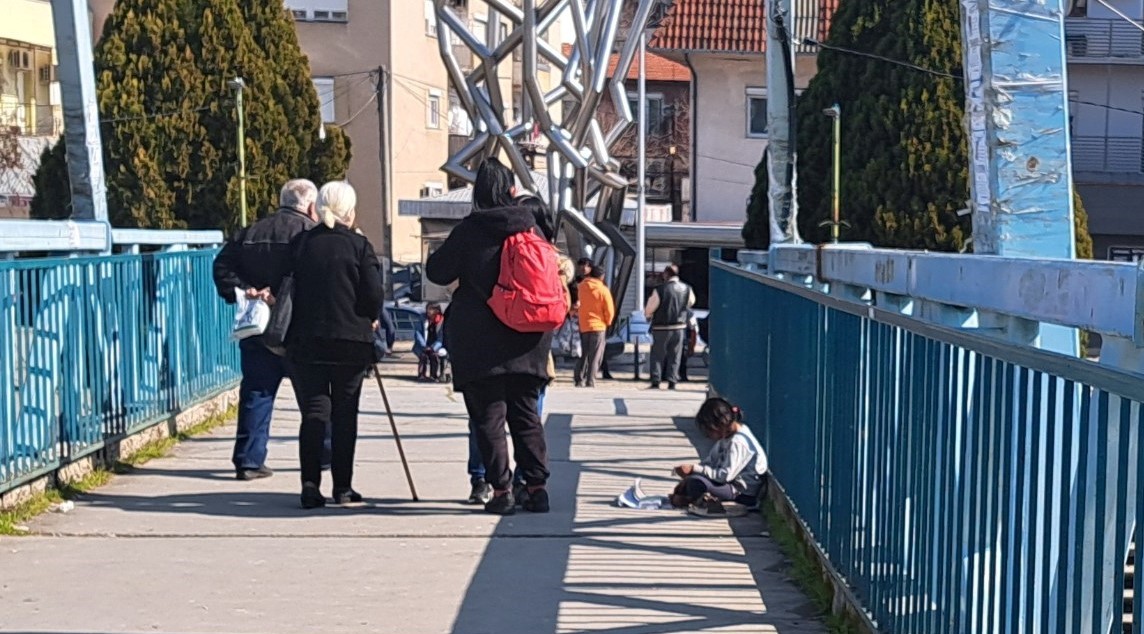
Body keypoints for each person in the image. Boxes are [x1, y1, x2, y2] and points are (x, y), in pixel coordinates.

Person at [427, 157, 554, 515]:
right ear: (513, 191)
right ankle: (537, 488)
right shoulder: (532, 228)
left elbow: (437, 271)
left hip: (480, 341)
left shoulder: (470, 231)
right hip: (529, 337)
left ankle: (501, 491)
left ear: (477, 194)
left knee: (490, 418)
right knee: (526, 414)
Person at [286, 181, 384, 509]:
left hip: (306, 340)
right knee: (345, 414)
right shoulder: (359, 246)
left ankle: (310, 484)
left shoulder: (301, 243)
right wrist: (370, 316)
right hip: (350, 342)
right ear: (349, 210)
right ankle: (342, 486)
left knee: (314, 412)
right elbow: (373, 294)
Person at [212, 179, 318, 481]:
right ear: (311, 206)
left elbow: (222, 268)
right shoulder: (311, 235)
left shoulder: (251, 232)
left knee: (257, 392)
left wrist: (247, 290)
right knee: (314, 398)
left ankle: (249, 460)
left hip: (258, 325)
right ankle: (322, 456)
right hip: (300, 327)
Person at [669, 397, 769, 511]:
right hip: (729, 484)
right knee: (692, 480)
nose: (709, 435)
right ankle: (689, 497)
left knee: (697, 483)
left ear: (719, 425)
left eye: (709, 430)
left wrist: (695, 469)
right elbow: (710, 462)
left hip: (741, 493)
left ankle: (693, 499)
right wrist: (691, 474)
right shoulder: (725, 438)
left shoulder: (738, 443)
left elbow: (724, 476)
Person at [644, 264, 695, 390]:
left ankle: (656, 380)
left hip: (661, 326)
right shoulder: (687, 288)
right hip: (679, 327)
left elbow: (651, 307)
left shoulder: (660, 289)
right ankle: (672, 380)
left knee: (657, 354)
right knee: (675, 355)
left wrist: (648, 315)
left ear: (667, 274)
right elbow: (691, 302)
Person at [575, 265, 615, 388]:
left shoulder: (581, 287)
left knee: (584, 353)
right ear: (601, 276)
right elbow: (609, 309)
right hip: (598, 326)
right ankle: (590, 380)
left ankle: (578, 378)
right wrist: (608, 322)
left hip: (584, 324)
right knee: (595, 355)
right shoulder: (603, 290)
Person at [418, 303, 445, 381]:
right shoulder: (423, 319)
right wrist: (424, 346)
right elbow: (418, 333)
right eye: (427, 309)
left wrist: (433, 347)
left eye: (430, 309)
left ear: (436, 311)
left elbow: (441, 337)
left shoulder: (441, 320)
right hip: (424, 344)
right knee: (423, 355)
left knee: (434, 355)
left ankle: (433, 375)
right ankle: (421, 374)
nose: (428, 311)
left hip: (437, 345)